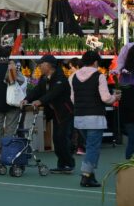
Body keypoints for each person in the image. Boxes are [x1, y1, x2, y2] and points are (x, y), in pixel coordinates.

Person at [69, 50, 116, 188]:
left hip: (79, 118)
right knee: (92, 148)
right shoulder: (99, 76)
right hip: (95, 118)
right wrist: (115, 98)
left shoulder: (73, 76)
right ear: (95, 62)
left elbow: (73, 99)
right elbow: (106, 98)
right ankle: (86, 176)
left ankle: (90, 176)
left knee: (89, 147)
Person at [26, 55, 75, 174]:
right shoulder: (44, 78)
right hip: (55, 112)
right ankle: (62, 165)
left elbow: (53, 93)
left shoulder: (60, 78)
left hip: (65, 112)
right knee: (57, 139)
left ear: (49, 65)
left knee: (62, 138)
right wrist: (26, 99)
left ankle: (68, 164)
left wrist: (40, 101)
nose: (39, 66)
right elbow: (37, 90)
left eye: (41, 64)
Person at [115, 44, 134, 159]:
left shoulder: (123, 75)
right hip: (129, 110)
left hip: (127, 114)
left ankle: (129, 161)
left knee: (132, 137)